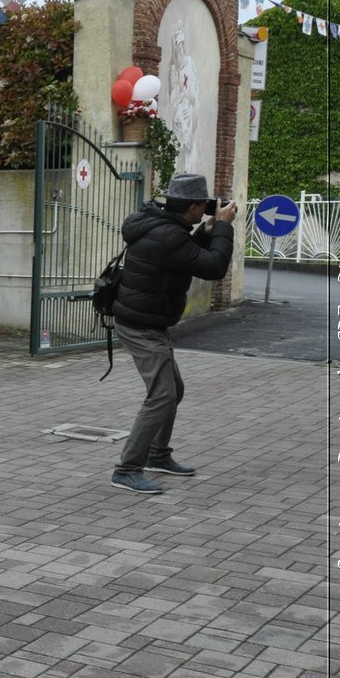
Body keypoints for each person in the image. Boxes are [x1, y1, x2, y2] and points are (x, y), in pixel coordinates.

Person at [110, 173, 237, 494]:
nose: (206, 210)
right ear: (193, 207)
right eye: (203, 207)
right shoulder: (168, 234)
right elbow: (212, 267)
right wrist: (222, 227)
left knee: (173, 390)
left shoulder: (162, 226)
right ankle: (127, 469)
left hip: (147, 320)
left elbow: (186, 255)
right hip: (141, 325)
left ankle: (157, 454)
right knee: (162, 395)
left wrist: (206, 231)